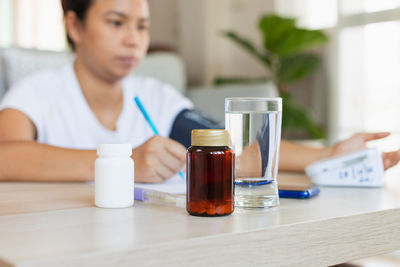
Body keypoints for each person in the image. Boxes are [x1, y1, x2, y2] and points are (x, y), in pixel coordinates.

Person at [0, 0, 398, 183]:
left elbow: (230, 149)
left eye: (142, 26)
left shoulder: (156, 96)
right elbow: (5, 156)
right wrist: (125, 164)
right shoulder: (37, 92)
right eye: (117, 22)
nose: (132, 40)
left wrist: (329, 155)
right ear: (74, 26)